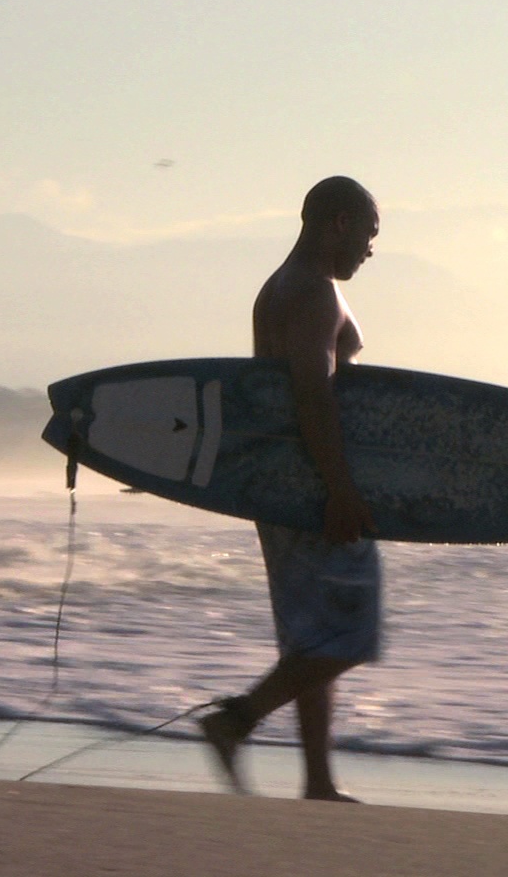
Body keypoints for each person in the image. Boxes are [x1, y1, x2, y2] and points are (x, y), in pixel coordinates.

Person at [199, 176, 382, 803]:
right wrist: (340, 489)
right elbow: (311, 392)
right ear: (337, 222)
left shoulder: (278, 287)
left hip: (278, 485)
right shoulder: (314, 294)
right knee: (353, 634)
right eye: (368, 233)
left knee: (311, 639)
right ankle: (236, 721)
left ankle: (318, 780)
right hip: (311, 487)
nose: (369, 249)